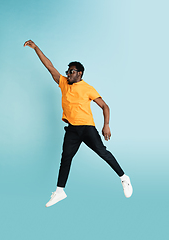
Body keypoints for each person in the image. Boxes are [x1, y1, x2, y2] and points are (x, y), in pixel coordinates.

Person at [24, 40, 133, 207]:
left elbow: (105, 106)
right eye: (68, 71)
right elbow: (50, 67)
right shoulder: (63, 83)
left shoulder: (87, 88)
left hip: (87, 128)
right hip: (72, 130)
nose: (68, 74)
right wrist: (36, 48)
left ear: (80, 73)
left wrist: (106, 124)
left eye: (72, 71)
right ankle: (60, 191)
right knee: (65, 158)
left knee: (102, 152)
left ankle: (124, 178)